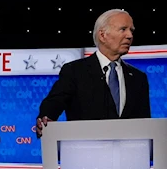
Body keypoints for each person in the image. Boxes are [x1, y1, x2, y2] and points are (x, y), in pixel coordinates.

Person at [36, 8, 151, 138]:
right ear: (102, 35)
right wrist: (46, 118)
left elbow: (144, 124)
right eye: (123, 29)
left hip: (129, 155)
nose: (130, 36)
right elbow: (54, 103)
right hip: (86, 152)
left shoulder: (138, 78)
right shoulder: (75, 71)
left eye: (131, 30)